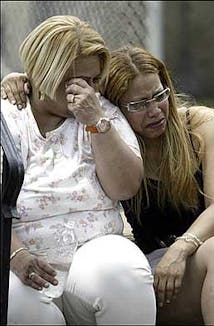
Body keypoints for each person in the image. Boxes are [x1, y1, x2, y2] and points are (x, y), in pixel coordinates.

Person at [2, 45, 214, 325]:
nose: (155, 111)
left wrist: (180, 250)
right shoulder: (115, 142)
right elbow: (66, 81)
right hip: (159, 264)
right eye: (139, 104)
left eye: (159, 95)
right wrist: (22, 81)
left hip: (209, 244)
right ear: (113, 106)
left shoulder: (200, 124)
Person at [0, 18, 156, 325]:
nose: (90, 89)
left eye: (95, 80)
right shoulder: (8, 116)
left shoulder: (101, 113)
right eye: (78, 79)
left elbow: (124, 188)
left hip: (92, 249)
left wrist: (96, 123)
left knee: (122, 273)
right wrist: (14, 255)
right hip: (20, 256)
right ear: (46, 72)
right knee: (17, 305)